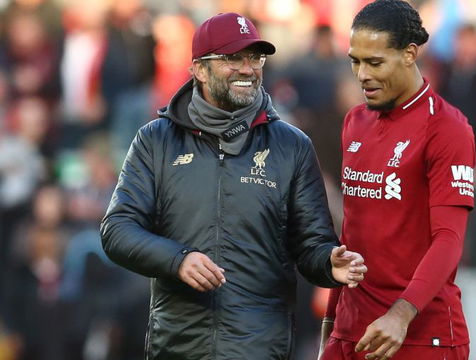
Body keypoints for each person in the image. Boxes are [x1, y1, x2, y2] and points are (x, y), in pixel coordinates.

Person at [100, 12, 367, 360]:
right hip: (178, 347)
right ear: (198, 69)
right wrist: (177, 260)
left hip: (260, 347)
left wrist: (329, 264)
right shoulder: (156, 140)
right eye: (232, 58)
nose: (247, 68)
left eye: (255, 57)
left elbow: (312, 243)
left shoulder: (292, 145)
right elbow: (117, 229)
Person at [319, 1, 475, 359]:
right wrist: (331, 321)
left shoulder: (447, 129)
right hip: (351, 333)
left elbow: (449, 239)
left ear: (409, 53)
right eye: (355, 61)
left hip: (419, 334)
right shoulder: (355, 121)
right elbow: (352, 233)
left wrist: (402, 313)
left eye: (375, 63)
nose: (362, 74)